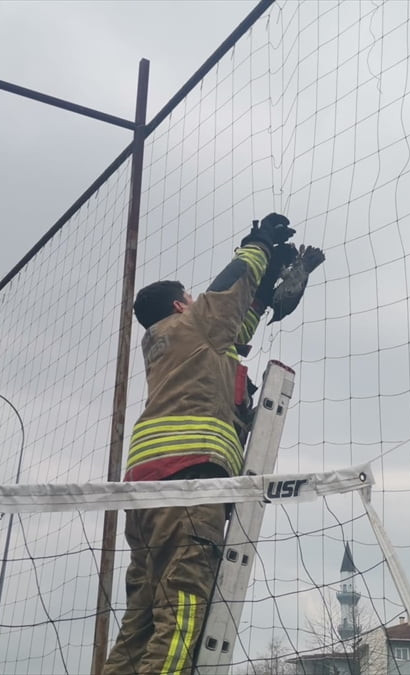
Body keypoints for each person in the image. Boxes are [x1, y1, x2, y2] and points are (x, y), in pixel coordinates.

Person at [102, 213, 298, 675]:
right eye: (190, 299)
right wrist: (260, 244)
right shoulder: (191, 327)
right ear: (178, 306)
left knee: (142, 619)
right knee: (183, 613)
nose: (196, 302)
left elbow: (235, 330)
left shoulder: (172, 344)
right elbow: (227, 294)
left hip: (147, 493)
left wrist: (265, 291)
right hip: (189, 486)